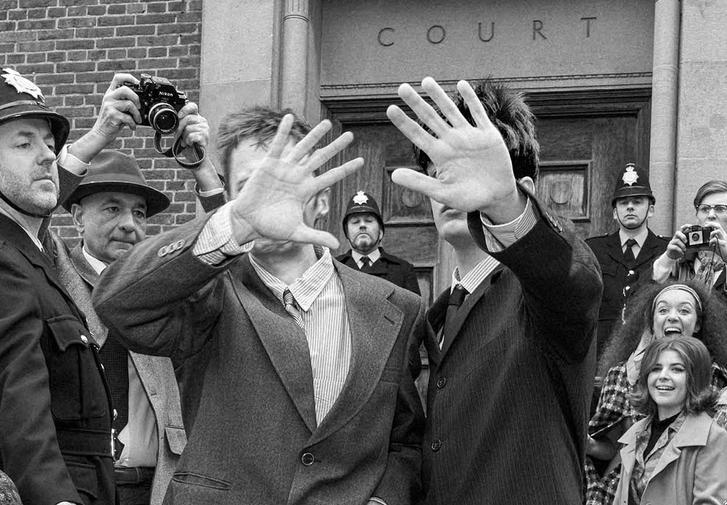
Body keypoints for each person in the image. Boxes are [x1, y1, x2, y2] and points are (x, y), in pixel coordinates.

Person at [92, 107, 425, 505]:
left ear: (319, 199)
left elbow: (403, 444)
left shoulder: (395, 309)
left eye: (280, 185)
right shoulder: (205, 294)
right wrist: (233, 226)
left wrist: (383, 501)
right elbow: (117, 302)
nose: (266, 199)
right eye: (250, 188)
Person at [386, 77, 602, 504]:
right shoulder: (431, 315)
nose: (445, 186)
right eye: (435, 172)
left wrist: (505, 207)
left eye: (462, 171)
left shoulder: (541, 295)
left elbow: (572, 278)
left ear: (523, 189)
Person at [0, 68, 156, 504]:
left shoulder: (30, 253)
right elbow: (19, 404)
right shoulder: (8, 259)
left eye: (50, 145)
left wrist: (103, 131)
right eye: (24, 142)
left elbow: (37, 199)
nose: (48, 155)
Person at [53, 120, 222, 505]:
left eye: (140, 213)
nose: (130, 225)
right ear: (77, 216)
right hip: (74, 484)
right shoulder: (52, 268)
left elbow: (224, 249)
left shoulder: (164, 286)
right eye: (113, 209)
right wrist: (99, 135)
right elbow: (23, 215)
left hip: (152, 487)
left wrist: (202, 170)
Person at [585, 281, 727, 505]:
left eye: (683, 310)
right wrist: (589, 444)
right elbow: (612, 449)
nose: (672, 316)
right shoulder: (624, 376)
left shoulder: (719, 381)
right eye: (663, 310)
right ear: (651, 322)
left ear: (698, 323)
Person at [613, 336, 727, 505]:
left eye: (677, 369)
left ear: (695, 378)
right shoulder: (635, 434)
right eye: (656, 368)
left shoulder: (713, 438)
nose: (663, 376)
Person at [586, 163, 668, 359]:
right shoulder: (593, 249)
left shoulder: (668, 250)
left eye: (638, 201)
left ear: (651, 210)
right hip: (601, 355)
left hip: (652, 355)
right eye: (623, 202)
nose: (630, 206)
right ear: (615, 212)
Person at [652, 180, 727, 300]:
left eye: (720, 209)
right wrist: (669, 258)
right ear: (697, 216)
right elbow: (648, 291)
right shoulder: (683, 257)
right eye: (705, 209)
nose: (711, 215)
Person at [336, 190, 420, 294]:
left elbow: (414, 309)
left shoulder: (402, 270)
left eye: (369, 221)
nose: (362, 225)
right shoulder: (334, 268)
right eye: (355, 222)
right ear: (347, 233)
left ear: (380, 231)